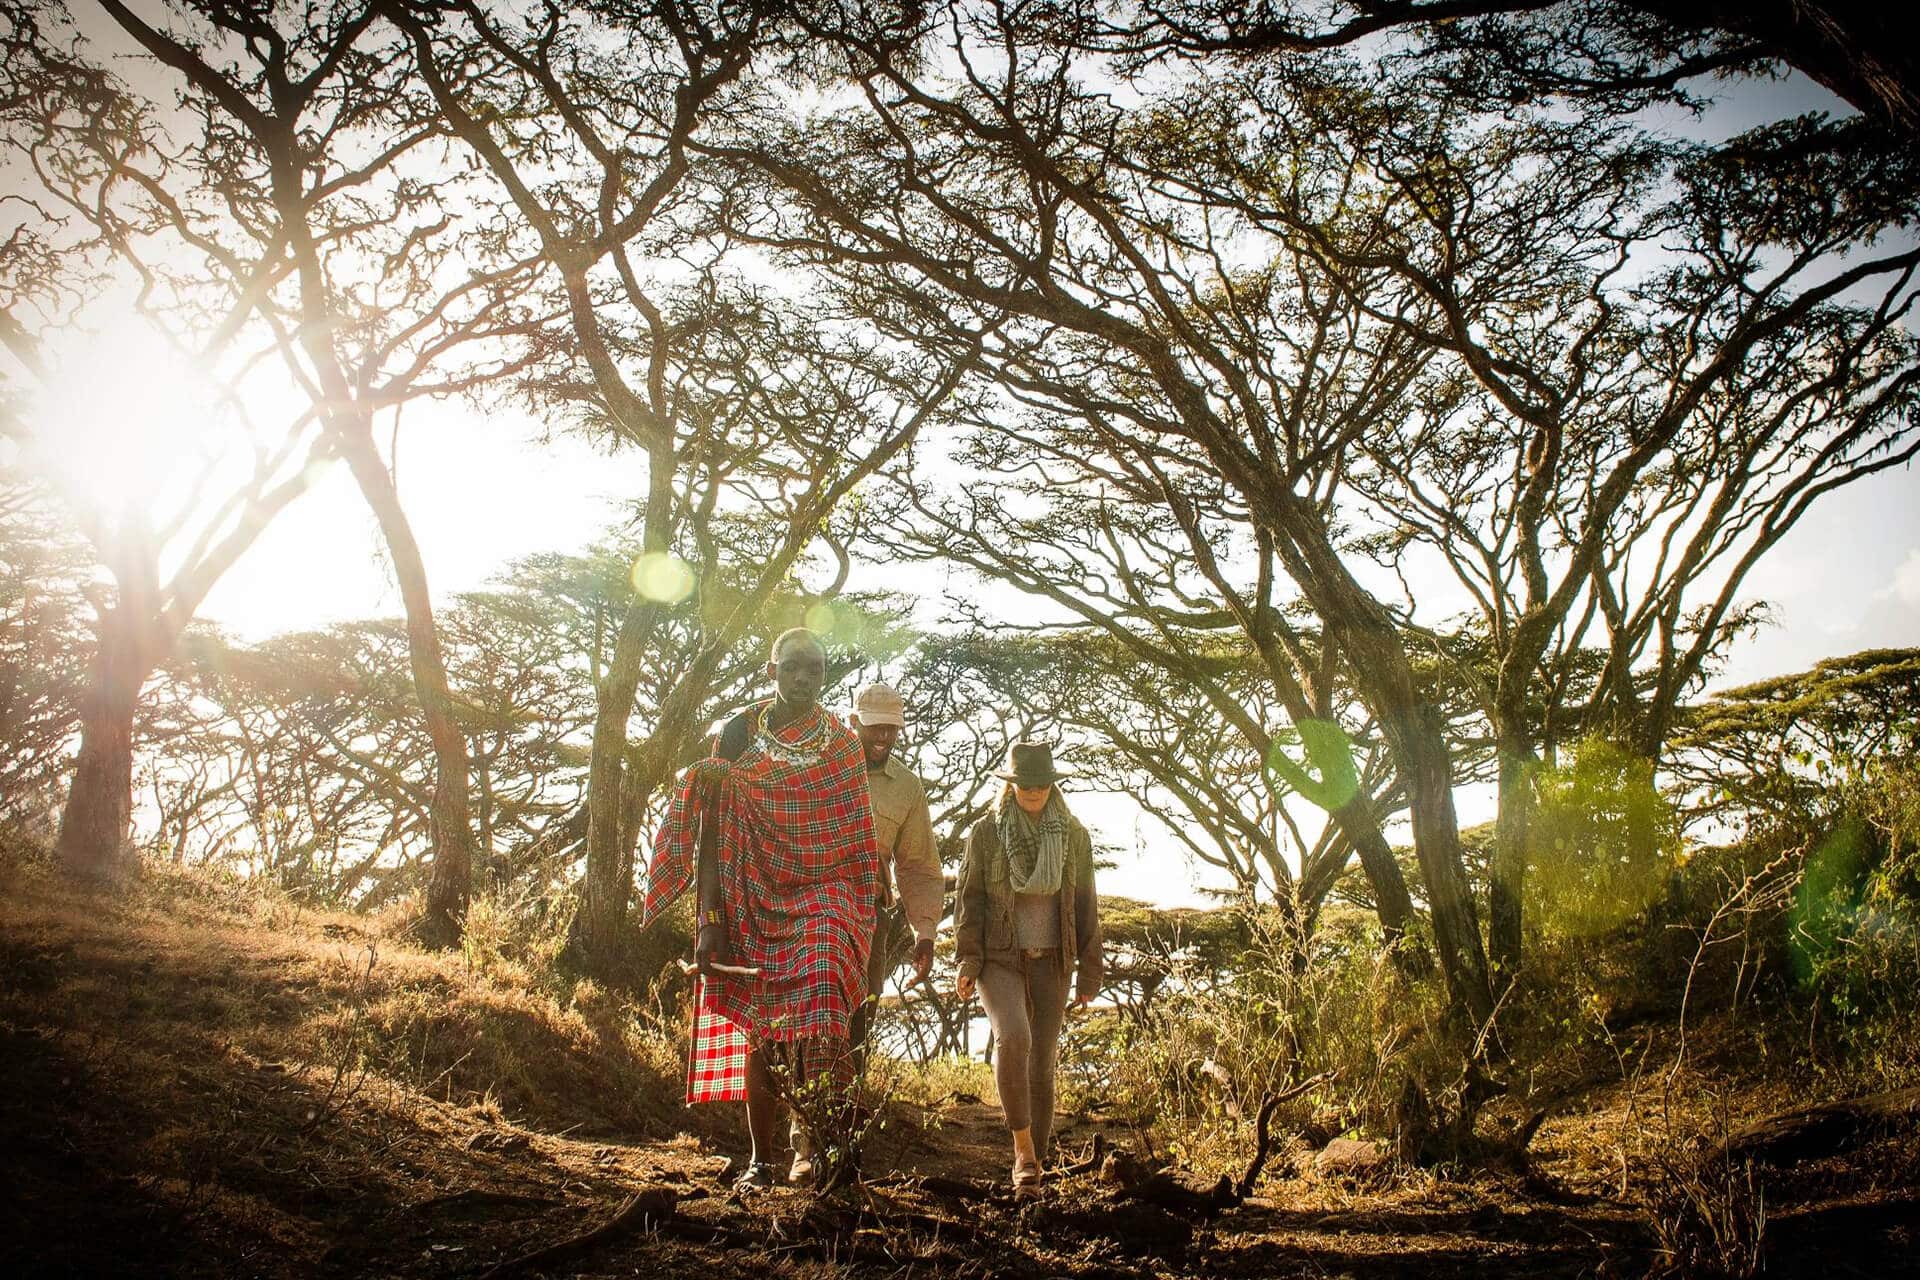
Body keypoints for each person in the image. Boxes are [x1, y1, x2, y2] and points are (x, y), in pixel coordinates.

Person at [640, 627, 880, 1191]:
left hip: (828, 896)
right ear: (771, 670)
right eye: (792, 666)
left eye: (815, 670)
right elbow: (711, 832)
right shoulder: (739, 733)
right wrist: (710, 921)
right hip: (750, 895)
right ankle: (760, 1159)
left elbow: (856, 841)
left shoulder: (843, 745)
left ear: (825, 677)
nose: (803, 678)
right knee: (762, 1028)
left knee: (822, 995)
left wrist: (865, 913)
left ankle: (824, 1147)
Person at [788, 680, 945, 1183]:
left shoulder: (905, 786)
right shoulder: (818, 763)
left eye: (892, 729)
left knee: (857, 1024)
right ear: (853, 721)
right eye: (875, 726)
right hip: (808, 912)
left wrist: (925, 934)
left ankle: (843, 1145)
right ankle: (803, 1142)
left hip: (866, 921)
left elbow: (918, 866)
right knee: (809, 1021)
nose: (883, 737)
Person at [954, 741, 1102, 1197]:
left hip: (1053, 960)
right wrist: (967, 958)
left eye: (1041, 783)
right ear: (1011, 785)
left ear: (1052, 784)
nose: (1034, 791)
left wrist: (1090, 973)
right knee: (1013, 1037)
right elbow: (969, 900)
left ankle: (1033, 1169)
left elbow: (1085, 906)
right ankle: (1022, 1151)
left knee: (1042, 1064)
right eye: (1025, 784)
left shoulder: (1074, 836)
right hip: (999, 958)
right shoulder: (987, 834)